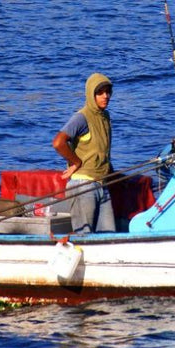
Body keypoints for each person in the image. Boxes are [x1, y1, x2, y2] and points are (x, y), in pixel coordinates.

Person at [52, 73, 116, 233]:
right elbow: (58, 142)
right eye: (100, 92)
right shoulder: (81, 118)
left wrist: (112, 172)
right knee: (84, 236)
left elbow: (100, 151)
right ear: (91, 94)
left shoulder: (105, 117)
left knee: (109, 236)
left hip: (102, 184)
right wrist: (76, 162)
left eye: (108, 92)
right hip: (83, 185)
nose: (105, 96)